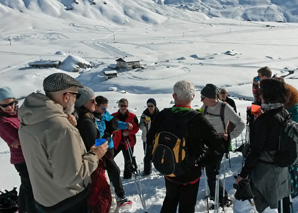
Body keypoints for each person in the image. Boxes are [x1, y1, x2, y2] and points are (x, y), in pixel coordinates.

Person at [18, 73, 108, 212]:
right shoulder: (61, 128)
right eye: (76, 95)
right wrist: (95, 155)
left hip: (43, 198)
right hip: (68, 201)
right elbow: (70, 176)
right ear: (66, 96)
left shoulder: (29, 118)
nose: (75, 100)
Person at [144, 80, 224, 213]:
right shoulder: (198, 119)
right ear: (192, 97)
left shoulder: (163, 115)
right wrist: (203, 162)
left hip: (169, 167)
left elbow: (149, 138)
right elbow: (217, 145)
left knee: (170, 200)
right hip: (190, 172)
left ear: (174, 96)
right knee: (187, 206)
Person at [236, 78, 291, 213]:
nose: (259, 94)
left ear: (267, 95)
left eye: (261, 92)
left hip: (265, 173)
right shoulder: (284, 113)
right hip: (280, 169)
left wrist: (243, 174)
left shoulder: (265, 120)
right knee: (277, 205)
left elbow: (256, 150)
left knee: (265, 208)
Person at [200, 83, 245, 207]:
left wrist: (229, 137)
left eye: (202, 98)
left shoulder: (225, 108)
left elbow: (241, 124)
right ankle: (216, 195)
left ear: (209, 98)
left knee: (212, 172)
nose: (201, 100)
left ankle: (222, 199)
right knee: (208, 171)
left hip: (218, 144)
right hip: (206, 142)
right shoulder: (205, 107)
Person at [75, 87, 112, 212]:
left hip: (85, 165)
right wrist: (109, 132)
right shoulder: (86, 122)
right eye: (92, 101)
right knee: (100, 195)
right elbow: (97, 146)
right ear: (83, 103)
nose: (95, 103)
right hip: (93, 164)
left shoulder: (81, 117)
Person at [0, 87, 37, 213]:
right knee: (31, 188)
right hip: (21, 159)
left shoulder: (18, 113)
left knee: (27, 186)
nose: (9, 107)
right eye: (5, 106)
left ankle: (23, 209)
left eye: (11, 103)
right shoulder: (3, 121)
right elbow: (21, 138)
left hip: (28, 155)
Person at [93, 95, 132, 207]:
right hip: (99, 149)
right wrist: (106, 135)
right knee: (113, 170)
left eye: (106, 108)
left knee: (109, 171)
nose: (105, 110)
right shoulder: (91, 118)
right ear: (96, 106)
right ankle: (119, 196)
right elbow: (97, 135)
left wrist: (125, 125)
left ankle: (112, 194)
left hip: (109, 147)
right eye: (103, 108)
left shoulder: (105, 114)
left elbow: (114, 122)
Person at [111, 98, 139, 179]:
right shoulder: (113, 116)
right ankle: (111, 175)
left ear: (127, 106)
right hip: (116, 141)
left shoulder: (133, 116)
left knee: (128, 161)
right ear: (118, 106)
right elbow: (109, 128)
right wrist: (115, 130)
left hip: (129, 142)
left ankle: (127, 176)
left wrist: (129, 132)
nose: (123, 107)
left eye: (125, 105)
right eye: (121, 105)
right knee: (110, 159)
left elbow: (136, 128)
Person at [140, 98, 160, 175]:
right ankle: (147, 171)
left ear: (155, 106)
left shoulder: (159, 114)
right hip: (147, 137)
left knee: (157, 154)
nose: (150, 107)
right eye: (148, 106)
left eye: (151, 105)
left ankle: (160, 168)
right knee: (147, 155)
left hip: (156, 138)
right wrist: (144, 124)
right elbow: (140, 126)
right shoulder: (144, 114)